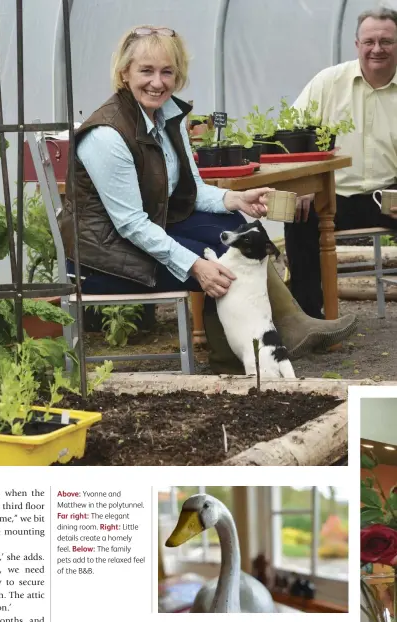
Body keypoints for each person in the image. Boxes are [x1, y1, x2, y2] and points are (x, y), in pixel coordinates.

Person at [59, 25, 357, 373]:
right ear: (124, 73)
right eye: (146, 71)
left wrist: (236, 198)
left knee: (234, 227)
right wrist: (193, 264)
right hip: (102, 257)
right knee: (224, 265)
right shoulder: (107, 136)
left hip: (139, 235)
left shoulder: (165, 115)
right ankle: (244, 357)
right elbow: (130, 224)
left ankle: (267, 338)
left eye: (167, 71)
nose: (158, 82)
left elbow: (192, 189)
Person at [286, 6, 397, 319]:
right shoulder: (328, 83)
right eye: (370, 41)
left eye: (386, 41)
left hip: (387, 195)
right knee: (298, 215)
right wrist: (303, 182)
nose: (378, 49)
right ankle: (309, 321)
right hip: (330, 195)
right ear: (357, 45)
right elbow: (290, 135)